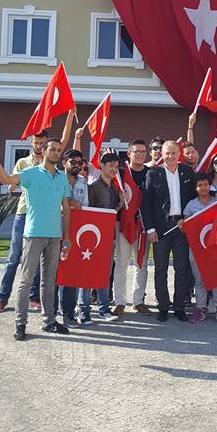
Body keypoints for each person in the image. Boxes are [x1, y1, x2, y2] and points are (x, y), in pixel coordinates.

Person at [0, 107, 78, 315]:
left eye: (44, 144)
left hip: (45, 219)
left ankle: (35, 299)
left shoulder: (55, 168)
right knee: (14, 257)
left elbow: (64, 139)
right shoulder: (25, 164)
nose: (41, 146)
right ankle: (3, 297)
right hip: (24, 213)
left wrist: (70, 116)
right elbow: (10, 181)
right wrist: (14, 185)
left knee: (40, 263)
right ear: (32, 143)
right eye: (38, 143)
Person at [141, 140, 196, 322]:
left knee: (181, 269)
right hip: (161, 229)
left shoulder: (187, 172)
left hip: (181, 227)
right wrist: (150, 229)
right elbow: (146, 204)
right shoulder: (153, 173)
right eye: (167, 153)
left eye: (173, 153)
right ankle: (163, 307)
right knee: (161, 269)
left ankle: (179, 307)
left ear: (179, 154)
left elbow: (195, 198)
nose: (170, 156)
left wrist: (188, 219)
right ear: (161, 155)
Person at [77, 150, 123, 324]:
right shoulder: (93, 187)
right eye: (110, 166)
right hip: (92, 238)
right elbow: (89, 213)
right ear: (101, 166)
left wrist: (119, 204)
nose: (113, 169)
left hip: (108, 237)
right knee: (88, 274)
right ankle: (84, 311)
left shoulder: (114, 189)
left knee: (104, 273)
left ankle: (104, 310)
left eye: (116, 167)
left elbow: (110, 214)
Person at [179, 172, 217, 325]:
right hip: (197, 249)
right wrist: (182, 224)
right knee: (199, 279)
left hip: (214, 248)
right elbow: (185, 226)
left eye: (206, 184)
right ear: (196, 188)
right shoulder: (191, 205)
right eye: (200, 185)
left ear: (210, 185)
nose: (203, 187)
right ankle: (200, 309)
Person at [112, 139, 151, 318]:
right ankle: (119, 302)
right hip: (124, 224)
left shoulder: (151, 173)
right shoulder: (120, 174)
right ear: (129, 154)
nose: (140, 154)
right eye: (137, 152)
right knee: (121, 264)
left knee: (141, 265)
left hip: (143, 226)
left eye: (143, 152)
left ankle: (138, 301)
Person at [58, 148, 89, 328]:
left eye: (80, 163)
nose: (76, 165)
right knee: (53, 274)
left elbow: (84, 207)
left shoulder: (83, 182)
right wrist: (70, 203)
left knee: (71, 274)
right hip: (54, 229)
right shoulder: (56, 178)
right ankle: (53, 313)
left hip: (74, 232)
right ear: (65, 163)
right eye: (73, 162)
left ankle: (69, 314)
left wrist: (74, 205)